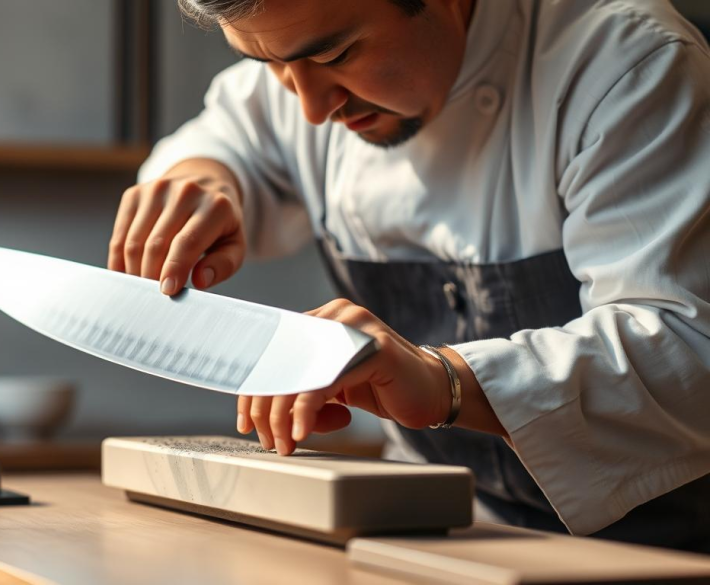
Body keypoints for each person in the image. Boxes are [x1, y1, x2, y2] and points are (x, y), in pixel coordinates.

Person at [107, 0, 710, 552]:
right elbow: (228, 132)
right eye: (266, 63)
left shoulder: (626, 66)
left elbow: (686, 347)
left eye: (336, 55)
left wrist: (442, 381)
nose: (312, 110)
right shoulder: (296, 67)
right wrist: (204, 179)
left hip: (664, 549)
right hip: (441, 537)